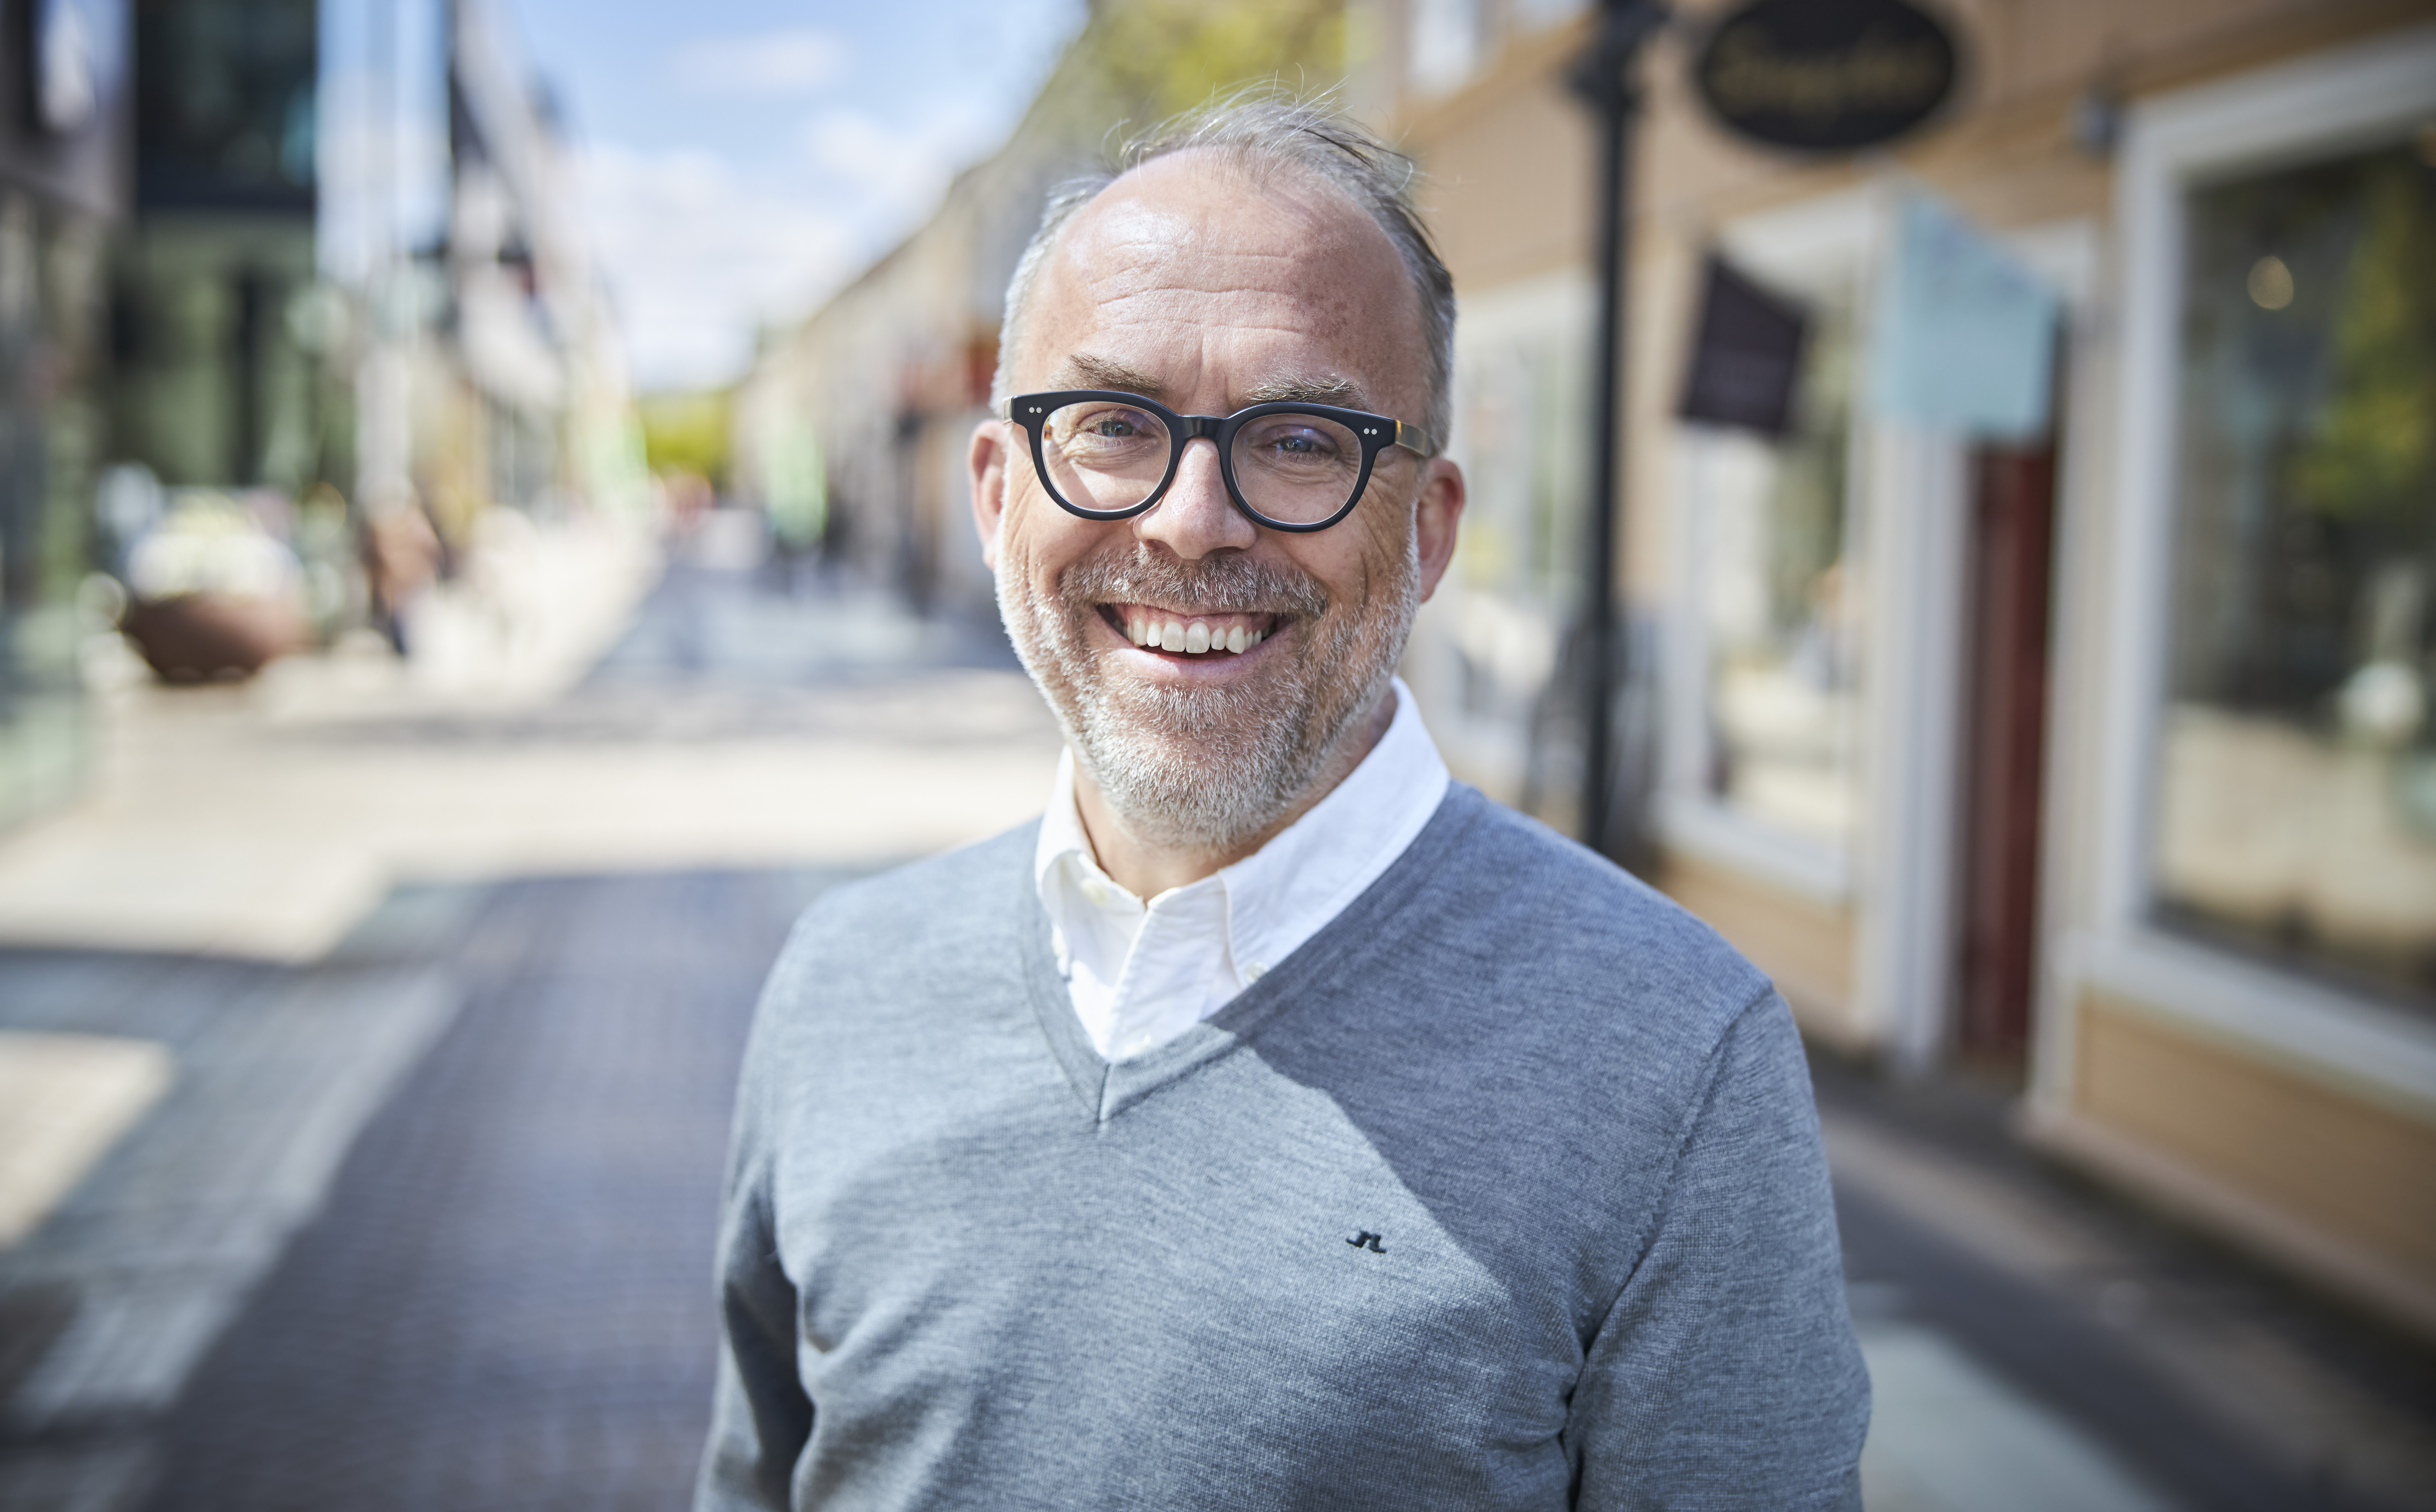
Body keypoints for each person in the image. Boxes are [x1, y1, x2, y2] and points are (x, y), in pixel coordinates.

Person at [696, 98, 1869, 1511]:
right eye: (1114, 425)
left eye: (1302, 438)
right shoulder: (843, 985)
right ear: (998, 494)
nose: (1193, 521)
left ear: (1427, 530)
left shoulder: (1678, 1060)